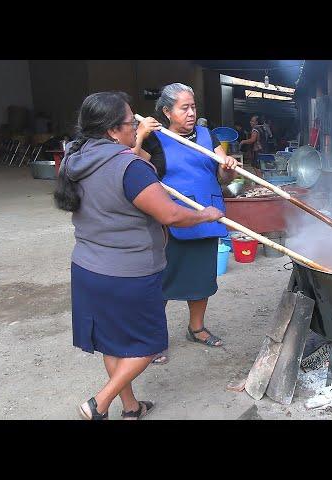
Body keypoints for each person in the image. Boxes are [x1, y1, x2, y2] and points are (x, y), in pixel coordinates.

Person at [54, 91, 224, 419]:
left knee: (112, 342)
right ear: (112, 130)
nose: (137, 127)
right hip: (128, 272)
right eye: (132, 122)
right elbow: (171, 216)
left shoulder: (76, 158)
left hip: (87, 269)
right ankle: (99, 403)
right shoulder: (129, 168)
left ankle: (131, 408)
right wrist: (206, 215)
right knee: (146, 345)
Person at [133, 83, 238, 365]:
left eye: (193, 107)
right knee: (163, 283)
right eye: (184, 108)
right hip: (174, 220)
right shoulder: (156, 140)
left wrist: (227, 167)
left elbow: (223, 179)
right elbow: (131, 167)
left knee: (202, 278)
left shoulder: (208, 135)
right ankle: (154, 340)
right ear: (167, 111)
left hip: (208, 215)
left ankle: (196, 328)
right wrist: (140, 136)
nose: (191, 113)